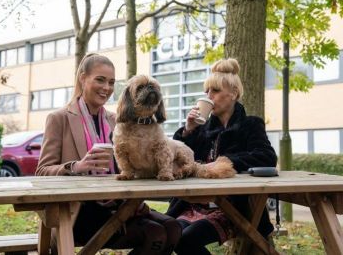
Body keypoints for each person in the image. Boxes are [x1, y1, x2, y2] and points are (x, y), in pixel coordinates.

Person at [36, 53, 181, 255]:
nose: (106, 88)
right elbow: (42, 172)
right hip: (79, 213)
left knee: (174, 228)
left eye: (111, 82)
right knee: (155, 233)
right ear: (82, 78)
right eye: (100, 80)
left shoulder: (119, 120)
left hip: (123, 204)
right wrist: (76, 166)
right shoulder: (59, 118)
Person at [166, 58, 277, 255]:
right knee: (169, 236)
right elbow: (176, 158)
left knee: (186, 240)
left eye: (215, 91)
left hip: (232, 209)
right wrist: (188, 131)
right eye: (207, 92)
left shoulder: (250, 125)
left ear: (233, 94)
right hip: (194, 205)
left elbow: (266, 156)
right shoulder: (201, 129)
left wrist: (226, 163)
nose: (209, 96)